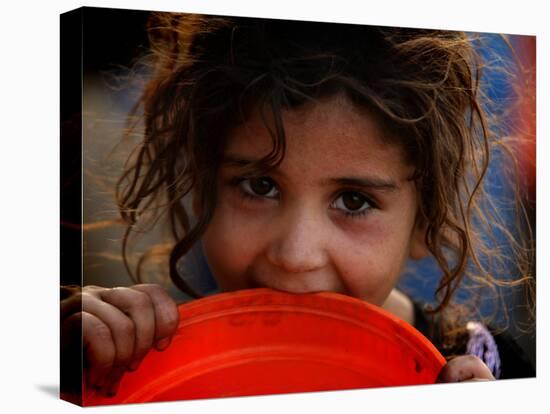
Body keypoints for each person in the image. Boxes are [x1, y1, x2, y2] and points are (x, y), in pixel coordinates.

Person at [60, 13, 535, 399]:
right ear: (202, 185)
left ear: (424, 221)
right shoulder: (144, 362)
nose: (295, 255)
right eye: (260, 187)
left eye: (354, 201)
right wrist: (66, 373)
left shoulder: (490, 374)